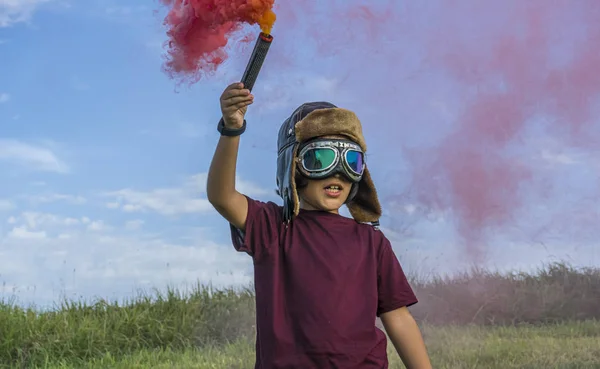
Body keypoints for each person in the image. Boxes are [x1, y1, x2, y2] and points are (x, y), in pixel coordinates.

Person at [207, 82, 432, 369]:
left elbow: (397, 316)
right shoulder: (273, 228)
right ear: (293, 165)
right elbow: (222, 197)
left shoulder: (371, 241)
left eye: (351, 160)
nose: (338, 171)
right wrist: (231, 129)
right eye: (322, 158)